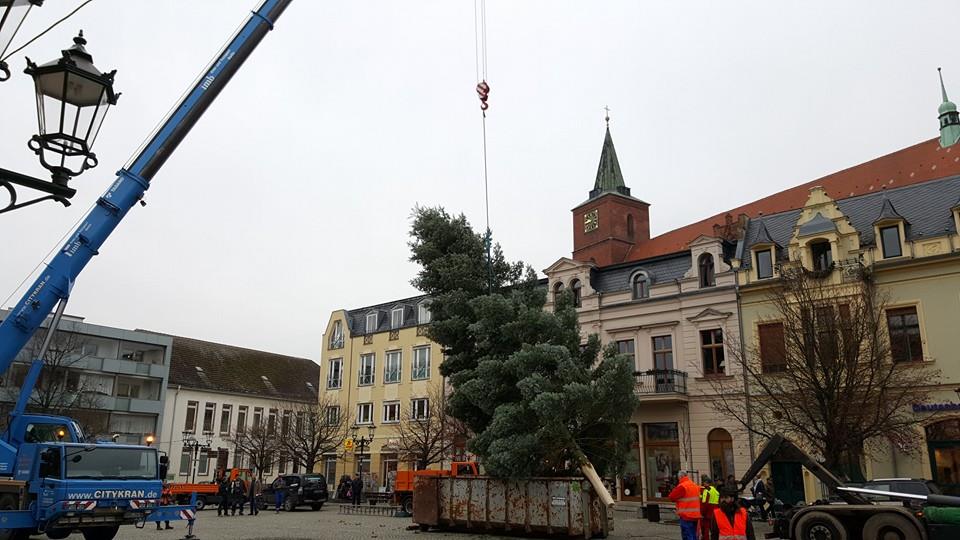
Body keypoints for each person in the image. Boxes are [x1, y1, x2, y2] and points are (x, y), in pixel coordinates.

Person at [668, 472, 701, 540]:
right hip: (696, 515)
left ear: (680, 477)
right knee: (694, 535)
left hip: (686, 515)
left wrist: (674, 488)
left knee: (688, 536)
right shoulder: (694, 485)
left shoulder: (682, 486)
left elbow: (671, 497)